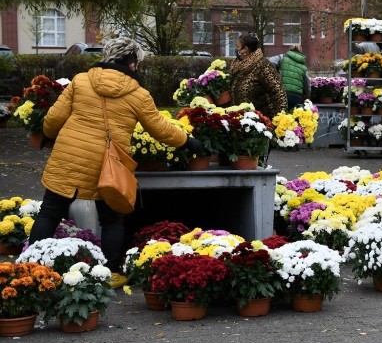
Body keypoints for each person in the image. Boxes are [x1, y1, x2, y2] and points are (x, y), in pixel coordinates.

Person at [28, 38, 206, 284]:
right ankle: (110, 272)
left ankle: (32, 268)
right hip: (106, 165)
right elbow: (160, 129)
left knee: (49, 212)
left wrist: (47, 135)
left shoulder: (80, 81)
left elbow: (53, 119)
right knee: (112, 218)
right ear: (132, 63)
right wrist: (188, 142)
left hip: (67, 157)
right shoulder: (138, 94)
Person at [230, 32, 287, 119]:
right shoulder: (238, 66)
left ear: (245, 49)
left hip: (261, 122)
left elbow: (279, 93)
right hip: (241, 120)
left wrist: (279, 121)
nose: (236, 49)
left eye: (237, 47)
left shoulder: (263, 65)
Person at [278, 45, 310, 109]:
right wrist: (307, 95)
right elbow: (307, 85)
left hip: (282, 94)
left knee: (280, 116)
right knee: (294, 116)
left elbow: (270, 62)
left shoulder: (282, 57)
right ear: (300, 51)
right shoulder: (304, 65)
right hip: (296, 96)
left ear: (289, 50)